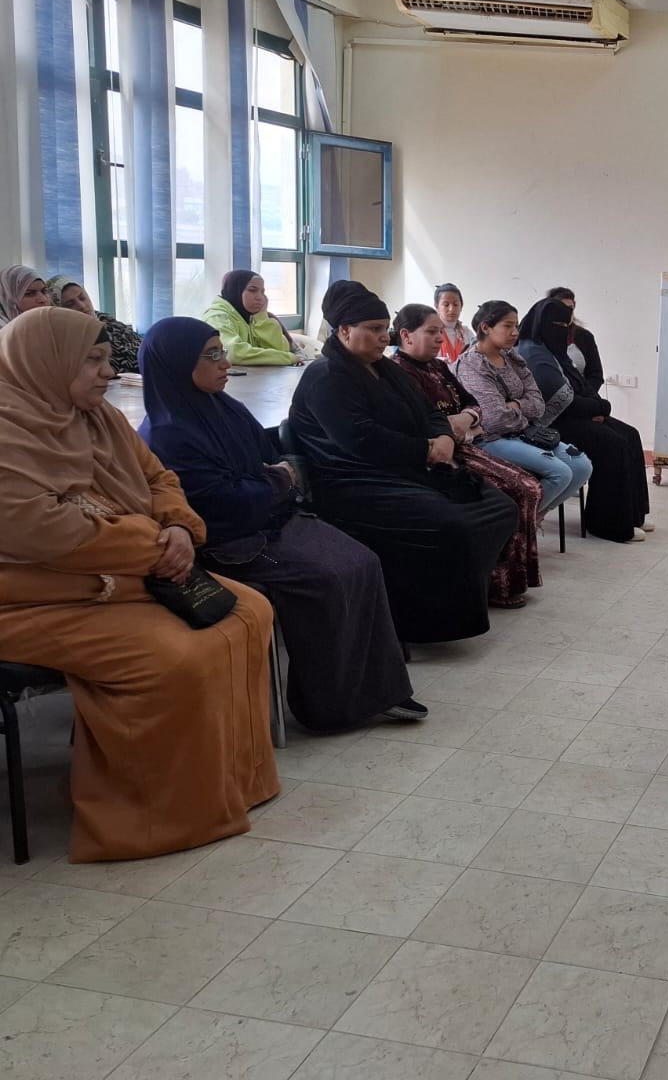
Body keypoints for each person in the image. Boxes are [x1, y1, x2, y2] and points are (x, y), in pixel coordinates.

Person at [0, 307, 279, 860]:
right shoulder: (10, 432)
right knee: (173, 658)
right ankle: (154, 817)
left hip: (122, 576)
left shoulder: (98, 417)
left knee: (249, 610)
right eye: (93, 360)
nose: (109, 372)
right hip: (35, 596)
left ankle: (234, 783)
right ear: (44, 364)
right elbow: (42, 530)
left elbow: (158, 477)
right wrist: (156, 545)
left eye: (108, 358)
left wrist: (178, 526)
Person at [137, 316, 423, 727]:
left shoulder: (224, 406)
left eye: (223, 351)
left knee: (364, 560)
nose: (225, 362)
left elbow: (270, 463)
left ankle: (378, 689)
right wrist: (275, 482)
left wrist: (270, 482)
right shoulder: (166, 434)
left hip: (270, 520)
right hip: (229, 544)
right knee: (327, 577)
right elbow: (221, 503)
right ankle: (332, 706)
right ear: (178, 363)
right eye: (212, 355)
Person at [287, 280, 518, 642]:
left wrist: (443, 437)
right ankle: (417, 619)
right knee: (449, 524)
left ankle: (461, 597)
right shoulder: (326, 376)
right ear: (344, 330)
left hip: (404, 467)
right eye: (374, 329)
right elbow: (361, 439)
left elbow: (429, 410)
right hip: (354, 480)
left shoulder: (385, 368)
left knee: (500, 508)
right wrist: (425, 450)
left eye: (385, 328)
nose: (385, 337)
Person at [391, 303, 545, 607]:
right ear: (406, 336)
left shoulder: (437, 367)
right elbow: (423, 422)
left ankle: (511, 579)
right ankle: (495, 583)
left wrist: (466, 418)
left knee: (530, 487)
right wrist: (457, 425)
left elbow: (474, 404)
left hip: (465, 443)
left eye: (440, 332)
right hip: (438, 454)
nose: (440, 338)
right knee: (517, 490)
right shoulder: (398, 372)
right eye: (432, 332)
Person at [519, 297, 652, 543]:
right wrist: (599, 408)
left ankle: (633, 515)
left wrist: (599, 408)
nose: (562, 331)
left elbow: (581, 384)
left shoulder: (555, 351)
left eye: (566, 325)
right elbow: (560, 400)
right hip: (551, 424)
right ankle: (608, 524)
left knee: (631, 435)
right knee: (613, 445)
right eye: (557, 325)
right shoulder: (534, 353)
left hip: (577, 415)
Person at [453, 299, 592, 518]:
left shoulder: (512, 357)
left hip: (523, 433)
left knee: (582, 466)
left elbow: (538, 403)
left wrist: (515, 405)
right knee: (560, 473)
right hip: (490, 439)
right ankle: (517, 525)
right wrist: (523, 411)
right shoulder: (472, 365)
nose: (515, 332)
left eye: (516, 326)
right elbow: (494, 419)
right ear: (486, 328)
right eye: (508, 326)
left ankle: (532, 519)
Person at [202, 269, 301, 366]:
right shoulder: (217, 317)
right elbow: (233, 353)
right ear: (235, 291)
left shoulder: (251, 316)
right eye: (252, 290)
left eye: (262, 292)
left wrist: (262, 318)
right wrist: (287, 358)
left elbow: (281, 350)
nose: (260, 297)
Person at [48, 275, 143, 373]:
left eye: (82, 298)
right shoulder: (65, 343)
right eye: (70, 304)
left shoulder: (106, 319)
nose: (81, 306)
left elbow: (140, 345)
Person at [546, 285, 604, 390]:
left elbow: (596, 375)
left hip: (583, 395)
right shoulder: (539, 336)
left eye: (570, 309)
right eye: (562, 308)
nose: (567, 313)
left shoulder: (584, 336)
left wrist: (586, 395)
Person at [435, 283, 469, 364]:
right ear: (437, 307)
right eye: (446, 305)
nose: (451, 309)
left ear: (461, 307)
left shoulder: (466, 332)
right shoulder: (431, 332)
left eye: (455, 304)